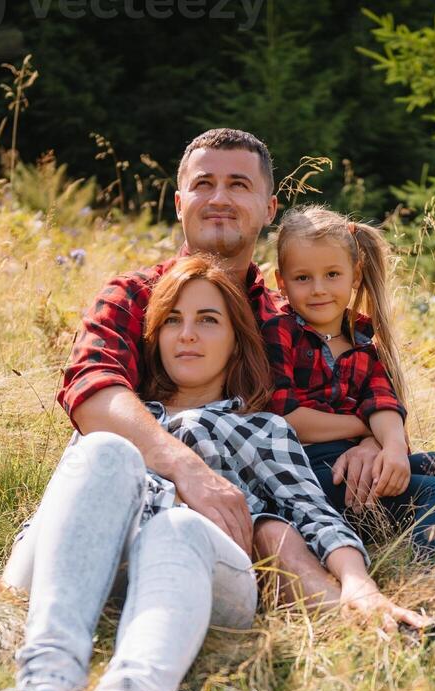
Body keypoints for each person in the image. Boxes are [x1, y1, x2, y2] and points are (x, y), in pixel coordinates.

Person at [0, 255, 429, 691]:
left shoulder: (260, 427)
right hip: (87, 565)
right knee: (104, 449)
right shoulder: (123, 416)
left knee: (179, 528)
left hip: (192, 575)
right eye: (173, 320)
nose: (188, 335)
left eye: (208, 320)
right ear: (155, 337)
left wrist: (359, 585)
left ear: (236, 340)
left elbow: (313, 513)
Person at [58, 128, 386, 609]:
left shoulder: (287, 314)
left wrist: (376, 438)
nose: (219, 199)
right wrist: (185, 467)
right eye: (204, 184)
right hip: (161, 497)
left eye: (238, 185)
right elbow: (91, 388)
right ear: (178, 202)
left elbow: (351, 382)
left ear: (270, 208)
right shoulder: (134, 294)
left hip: (289, 485)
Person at [265, 204, 435, 587]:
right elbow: (286, 418)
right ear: (282, 282)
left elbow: (383, 402)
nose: (318, 288)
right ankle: (433, 600)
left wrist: (390, 449)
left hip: (360, 468)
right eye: (303, 277)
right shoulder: (281, 332)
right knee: (434, 492)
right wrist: (362, 428)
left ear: (355, 276)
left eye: (332, 274)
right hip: (309, 478)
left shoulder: (363, 341)